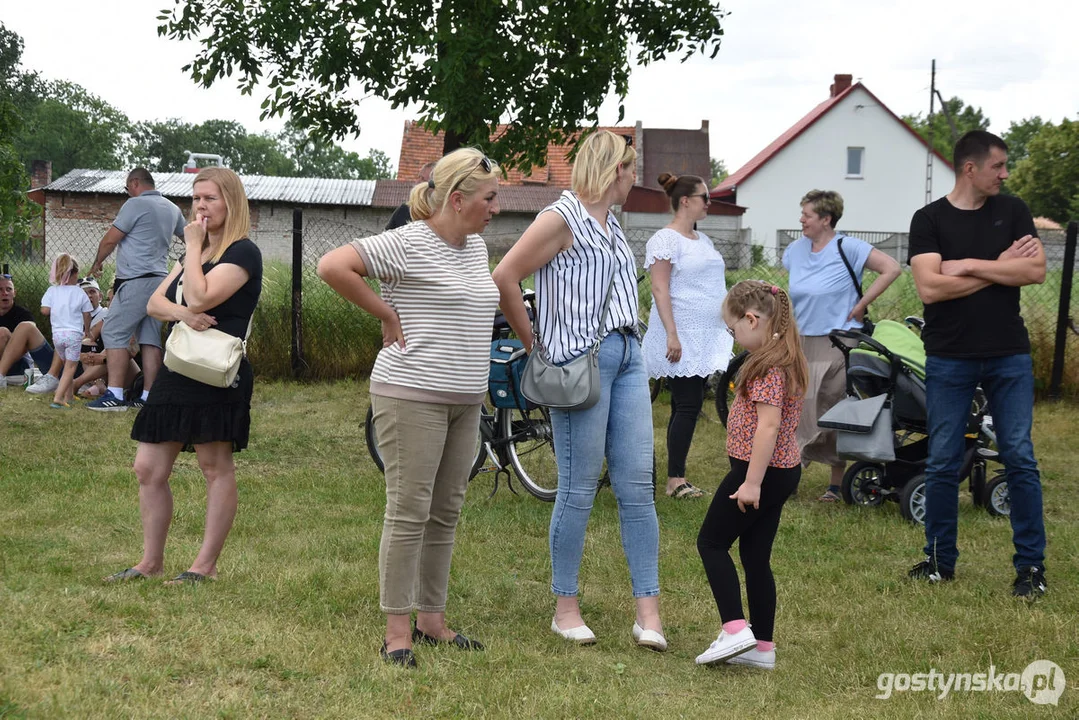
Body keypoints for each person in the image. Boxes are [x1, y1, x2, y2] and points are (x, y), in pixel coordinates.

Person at [318, 148, 501, 668]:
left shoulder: (474, 248)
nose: (494, 208)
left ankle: (432, 621)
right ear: (459, 198)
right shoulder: (409, 241)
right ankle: (397, 631)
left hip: (465, 400)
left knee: (445, 512)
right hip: (410, 395)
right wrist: (384, 311)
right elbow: (333, 266)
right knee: (408, 512)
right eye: (489, 198)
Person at [492, 130, 666, 651]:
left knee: (638, 484)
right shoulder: (559, 219)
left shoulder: (612, 224)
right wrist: (536, 344)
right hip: (578, 367)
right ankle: (565, 608)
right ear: (613, 169)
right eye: (631, 170)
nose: (635, 179)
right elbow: (505, 276)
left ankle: (648, 614)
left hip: (628, 356)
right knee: (579, 486)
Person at [104, 167, 263, 586]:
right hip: (179, 368)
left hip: (217, 369)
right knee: (147, 467)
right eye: (196, 199)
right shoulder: (193, 252)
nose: (200, 207)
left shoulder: (243, 253)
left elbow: (200, 294)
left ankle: (203, 566)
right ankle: (150, 561)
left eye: (210, 198)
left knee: (215, 466)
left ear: (232, 203)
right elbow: (157, 303)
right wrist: (184, 315)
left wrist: (193, 250)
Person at [907, 130, 1047, 598]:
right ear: (971, 168)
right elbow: (929, 289)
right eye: (999, 166)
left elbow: (1034, 271)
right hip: (949, 356)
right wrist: (998, 263)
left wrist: (964, 264)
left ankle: (1031, 569)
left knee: (1019, 457)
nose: (1005, 175)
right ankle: (938, 561)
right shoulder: (928, 220)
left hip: (1009, 353)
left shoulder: (1013, 211)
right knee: (944, 459)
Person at [694, 280, 807, 671]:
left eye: (733, 329)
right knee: (755, 557)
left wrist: (751, 483)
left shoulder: (766, 367)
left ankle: (734, 628)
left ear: (753, 319)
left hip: (760, 474)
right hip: (781, 472)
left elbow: (769, 427)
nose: (734, 336)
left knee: (711, 542)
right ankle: (762, 648)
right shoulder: (784, 356)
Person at [782, 190, 901, 502]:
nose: (801, 220)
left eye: (807, 215)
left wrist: (862, 304)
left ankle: (835, 484)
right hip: (803, 342)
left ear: (826, 219)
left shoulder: (848, 247)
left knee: (833, 407)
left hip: (839, 341)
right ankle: (789, 476)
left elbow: (892, 268)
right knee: (798, 409)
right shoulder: (795, 250)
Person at [642, 172, 732, 500]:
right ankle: (675, 481)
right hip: (679, 337)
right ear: (685, 201)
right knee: (688, 404)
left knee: (689, 405)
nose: (709, 203)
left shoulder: (702, 240)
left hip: (704, 336)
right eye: (704, 197)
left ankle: (675, 477)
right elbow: (660, 288)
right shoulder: (665, 241)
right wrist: (672, 334)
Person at [87, 167, 186, 411]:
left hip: (136, 280)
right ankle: (148, 397)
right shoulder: (173, 208)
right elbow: (192, 240)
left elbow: (111, 239)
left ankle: (115, 395)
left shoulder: (134, 205)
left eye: (126, 189)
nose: (128, 193)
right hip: (161, 282)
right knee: (150, 339)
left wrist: (97, 263)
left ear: (134, 183)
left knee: (113, 331)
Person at [38, 254, 92, 408]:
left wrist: (56, 307)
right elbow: (87, 314)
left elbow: (44, 311)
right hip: (74, 335)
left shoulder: (52, 291)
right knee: (71, 367)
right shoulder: (79, 292)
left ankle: (69, 395)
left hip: (57, 336)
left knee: (66, 364)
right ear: (74, 274)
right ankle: (58, 397)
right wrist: (87, 330)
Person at [0, 274, 55, 389]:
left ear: (14, 293)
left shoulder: (23, 314)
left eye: (9, 289)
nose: (5, 293)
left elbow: (28, 343)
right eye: (0, 289)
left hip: (19, 364)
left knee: (2, 333)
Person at [385, 161, 437, 230]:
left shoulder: (438, 215)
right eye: (418, 177)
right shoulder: (404, 210)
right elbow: (387, 234)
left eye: (423, 179)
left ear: (433, 185)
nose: (417, 182)